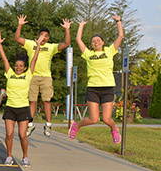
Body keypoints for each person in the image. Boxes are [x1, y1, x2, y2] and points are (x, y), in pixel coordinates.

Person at [69, 15, 124, 143]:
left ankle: (113, 129)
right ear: (91, 44)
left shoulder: (109, 51)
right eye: (94, 41)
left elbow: (120, 36)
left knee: (106, 119)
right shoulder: (89, 54)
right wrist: (81, 26)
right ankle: (76, 126)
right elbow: (78, 39)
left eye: (98, 40)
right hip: (93, 88)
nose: (96, 42)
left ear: (103, 42)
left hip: (107, 88)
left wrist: (118, 21)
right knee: (94, 119)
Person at [14, 15, 72, 137]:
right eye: (42, 35)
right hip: (32, 76)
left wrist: (67, 29)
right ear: (38, 36)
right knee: (32, 101)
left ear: (48, 38)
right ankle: (30, 124)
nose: (44, 38)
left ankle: (48, 124)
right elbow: (17, 38)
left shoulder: (51, 47)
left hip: (46, 77)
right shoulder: (31, 44)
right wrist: (20, 24)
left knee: (47, 100)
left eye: (46, 36)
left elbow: (67, 43)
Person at [0, 30, 44, 167]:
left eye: (20, 66)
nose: (18, 67)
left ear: (24, 68)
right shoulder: (10, 73)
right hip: (10, 108)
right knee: (9, 134)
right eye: (16, 66)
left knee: (22, 135)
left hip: (23, 108)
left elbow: (34, 59)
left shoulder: (28, 74)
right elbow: (4, 58)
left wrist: (38, 46)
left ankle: (25, 157)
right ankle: (9, 156)